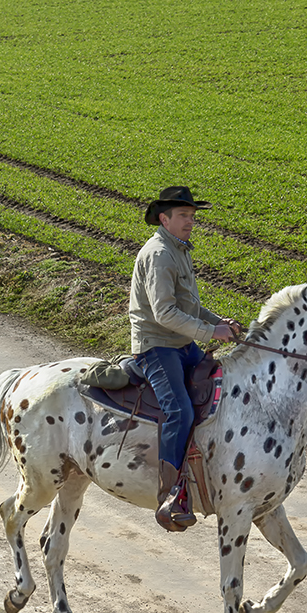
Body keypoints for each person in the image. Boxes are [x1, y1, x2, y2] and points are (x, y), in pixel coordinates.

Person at [129, 186, 242, 532]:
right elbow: (164, 313)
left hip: (180, 343)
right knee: (179, 409)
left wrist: (217, 322)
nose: (190, 222)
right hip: (157, 346)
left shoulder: (179, 250)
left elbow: (188, 305)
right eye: (183, 216)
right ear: (164, 218)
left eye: (192, 216)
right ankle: (170, 495)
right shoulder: (160, 254)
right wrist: (210, 334)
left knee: (220, 390)